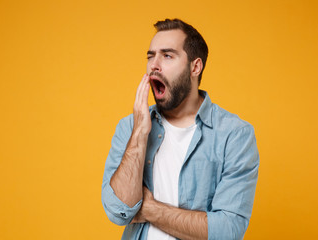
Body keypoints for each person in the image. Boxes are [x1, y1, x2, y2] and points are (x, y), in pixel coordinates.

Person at [101, 18, 259, 240]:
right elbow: (117, 210)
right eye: (150, 56)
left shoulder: (234, 135)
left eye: (167, 55)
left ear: (195, 67)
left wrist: (148, 208)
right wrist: (139, 133)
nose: (154, 65)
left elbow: (227, 231)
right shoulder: (129, 127)